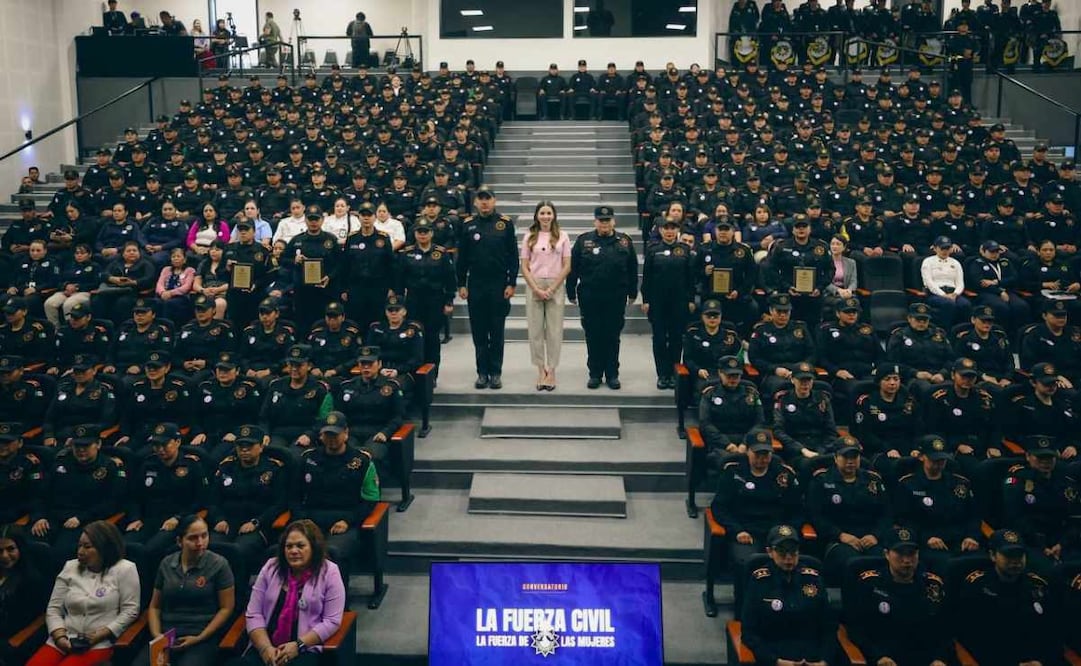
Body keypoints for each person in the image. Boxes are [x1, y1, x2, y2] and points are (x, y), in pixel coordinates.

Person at [229, 520, 345, 666]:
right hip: (267, 648)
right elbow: (254, 614)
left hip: (304, 650)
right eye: (289, 546)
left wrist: (298, 645)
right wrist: (265, 649)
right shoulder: (271, 567)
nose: (293, 551)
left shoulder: (329, 572)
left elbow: (331, 621)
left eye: (300, 546)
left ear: (313, 547)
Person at [27, 521, 139, 666]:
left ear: (105, 548)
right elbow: (54, 609)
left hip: (97, 643)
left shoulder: (125, 569)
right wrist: (59, 635)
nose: (80, 551)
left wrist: (103, 633)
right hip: (61, 640)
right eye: (79, 545)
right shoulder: (70, 567)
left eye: (87, 547)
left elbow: (130, 610)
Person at [133, 515, 235, 666]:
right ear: (179, 541)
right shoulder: (167, 563)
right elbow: (155, 606)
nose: (200, 543)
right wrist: (157, 637)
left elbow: (226, 608)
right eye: (193, 538)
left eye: (204, 536)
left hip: (201, 636)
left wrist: (200, 637)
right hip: (167, 634)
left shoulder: (219, 564)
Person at [953, 529, 1061, 665]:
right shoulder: (977, 587)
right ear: (993, 556)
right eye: (1008, 555)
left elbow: (1050, 633)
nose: (1015, 561)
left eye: (1019, 555)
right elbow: (972, 638)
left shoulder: (1037, 586)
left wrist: (1040, 661)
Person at [845, 527, 951, 666]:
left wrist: (940, 659)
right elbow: (855, 628)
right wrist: (877, 656)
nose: (907, 560)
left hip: (925, 659)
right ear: (886, 554)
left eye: (912, 553)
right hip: (884, 659)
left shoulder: (932, 585)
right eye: (900, 553)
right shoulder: (870, 584)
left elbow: (945, 629)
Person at [740, 525, 835, 666]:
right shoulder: (760, 581)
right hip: (775, 655)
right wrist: (775, 661)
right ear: (770, 552)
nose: (788, 558)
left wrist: (824, 661)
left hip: (812, 655)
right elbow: (749, 632)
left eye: (793, 551)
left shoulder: (812, 578)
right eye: (782, 552)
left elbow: (829, 626)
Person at [31, 426, 126, 566]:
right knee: (28, 546)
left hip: (85, 521)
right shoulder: (61, 463)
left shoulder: (109, 467)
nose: (81, 450)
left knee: (61, 552)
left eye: (86, 445)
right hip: (53, 518)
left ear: (98, 444)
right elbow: (41, 494)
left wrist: (81, 518)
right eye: (77, 445)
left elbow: (112, 503)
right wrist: (39, 516)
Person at [122, 424, 207, 580]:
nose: (160, 449)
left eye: (164, 444)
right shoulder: (148, 464)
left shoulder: (191, 465)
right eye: (156, 445)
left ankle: (150, 593)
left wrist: (178, 517)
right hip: (148, 520)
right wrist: (135, 518)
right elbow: (134, 497)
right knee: (123, 545)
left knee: (150, 550)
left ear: (177, 442)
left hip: (176, 522)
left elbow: (200, 500)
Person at [567, 205, 639, 389]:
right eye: (601, 220)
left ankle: (612, 374)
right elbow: (573, 268)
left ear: (613, 221)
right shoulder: (584, 241)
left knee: (613, 336)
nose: (604, 223)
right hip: (590, 296)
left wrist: (633, 292)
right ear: (595, 221)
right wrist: (570, 291)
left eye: (607, 220)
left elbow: (632, 269)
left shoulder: (624, 241)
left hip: (616, 296)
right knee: (593, 335)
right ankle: (595, 373)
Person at [892, 434, 983, 574]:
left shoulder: (960, 483)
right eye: (934, 459)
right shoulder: (908, 484)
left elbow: (973, 516)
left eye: (942, 460)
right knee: (948, 567)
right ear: (922, 457)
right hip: (928, 543)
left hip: (961, 541)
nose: (938, 464)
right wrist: (926, 538)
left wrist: (972, 536)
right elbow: (903, 521)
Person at [207, 425, 287, 581]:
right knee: (210, 547)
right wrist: (218, 519)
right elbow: (212, 500)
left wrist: (257, 522)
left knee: (237, 551)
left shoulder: (274, 469)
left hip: (257, 526)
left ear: (261, 447)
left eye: (249, 446)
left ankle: (239, 597)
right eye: (240, 446)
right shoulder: (226, 467)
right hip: (226, 523)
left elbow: (280, 504)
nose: (244, 450)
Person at [710, 431, 802, 568]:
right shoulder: (733, 472)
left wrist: (787, 532)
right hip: (745, 531)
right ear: (747, 451)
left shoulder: (783, 474)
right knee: (748, 563)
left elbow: (797, 508)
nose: (761, 458)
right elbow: (719, 507)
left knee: (787, 560)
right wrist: (736, 530)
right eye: (757, 454)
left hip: (776, 532)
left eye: (766, 454)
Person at [456, 186, 518, 390]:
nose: (484, 202)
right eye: (480, 199)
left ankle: (496, 372)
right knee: (479, 332)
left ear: (494, 201)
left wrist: (511, 283)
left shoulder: (505, 224)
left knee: (497, 331)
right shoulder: (467, 225)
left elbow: (513, 256)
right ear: (475, 202)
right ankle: (482, 372)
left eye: (488, 198)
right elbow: (462, 258)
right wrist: (461, 284)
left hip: (499, 284)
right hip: (476, 284)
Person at [806, 437, 890, 581]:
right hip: (838, 540)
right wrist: (840, 535)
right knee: (854, 564)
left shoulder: (873, 480)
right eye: (845, 457)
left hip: (870, 538)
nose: (850, 461)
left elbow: (886, 514)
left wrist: (875, 535)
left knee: (885, 561)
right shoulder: (822, 480)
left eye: (854, 457)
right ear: (835, 458)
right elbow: (816, 516)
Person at [520, 201, 570, 391]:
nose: (546, 216)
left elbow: (567, 265)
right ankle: (541, 370)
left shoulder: (563, 236)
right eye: (542, 213)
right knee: (535, 331)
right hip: (535, 284)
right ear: (537, 215)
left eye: (549, 213)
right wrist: (536, 288)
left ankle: (552, 370)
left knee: (555, 331)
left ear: (554, 215)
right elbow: (524, 266)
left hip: (555, 285)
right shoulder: (529, 237)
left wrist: (552, 288)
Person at [642, 218, 695, 390]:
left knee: (676, 339)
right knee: (658, 339)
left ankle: (673, 373)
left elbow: (690, 279)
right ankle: (662, 375)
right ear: (661, 231)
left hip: (678, 302)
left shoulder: (685, 250)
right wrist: (646, 300)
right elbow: (647, 277)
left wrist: (691, 300)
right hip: (658, 302)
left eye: (673, 228)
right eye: (666, 228)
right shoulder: (652, 250)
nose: (670, 231)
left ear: (677, 231)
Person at [697, 356, 765, 467]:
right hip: (720, 443)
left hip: (748, 442)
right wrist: (727, 444)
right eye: (729, 376)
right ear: (720, 373)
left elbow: (760, 422)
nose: (733, 379)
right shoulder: (710, 394)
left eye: (736, 376)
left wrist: (745, 443)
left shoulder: (751, 393)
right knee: (730, 461)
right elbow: (705, 424)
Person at [0, 525, 50, 664]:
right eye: (0, 551)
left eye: (10, 549)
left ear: (20, 548)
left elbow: (22, 621)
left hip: (12, 639)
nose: (4, 556)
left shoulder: (31, 580)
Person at [921, 235, 970, 327]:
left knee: (965, 305)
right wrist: (943, 295)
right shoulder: (928, 261)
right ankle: (945, 331)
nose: (945, 251)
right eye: (942, 248)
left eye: (947, 248)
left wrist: (955, 294)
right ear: (935, 248)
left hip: (953, 293)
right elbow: (929, 282)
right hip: (935, 294)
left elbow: (960, 283)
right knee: (948, 304)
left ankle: (962, 331)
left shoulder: (955, 263)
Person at [155, 247, 196, 323]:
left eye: (178, 256)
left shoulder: (190, 270)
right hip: (164, 295)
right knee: (156, 302)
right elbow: (159, 284)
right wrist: (163, 292)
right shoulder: (166, 269)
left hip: (181, 297)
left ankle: (167, 325)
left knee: (169, 304)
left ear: (184, 259)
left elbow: (186, 287)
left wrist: (170, 293)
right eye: (173, 257)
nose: (176, 259)